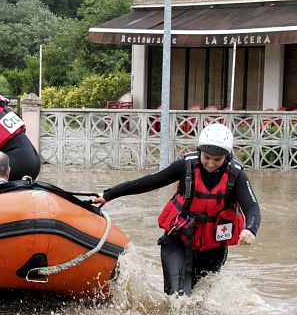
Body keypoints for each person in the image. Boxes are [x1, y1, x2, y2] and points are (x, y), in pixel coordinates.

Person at [92, 123, 261, 296]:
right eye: (206, 157)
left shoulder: (237, 176)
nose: (210, 164)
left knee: (197, 299)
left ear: (227, 156)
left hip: (212, 248)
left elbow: (252, 206)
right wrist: (110, 194)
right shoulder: (185, 166)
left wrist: (250, 229)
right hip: (178, 239)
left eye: (217, 160)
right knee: (175, 297)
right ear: (199, 151)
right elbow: (150, 182)